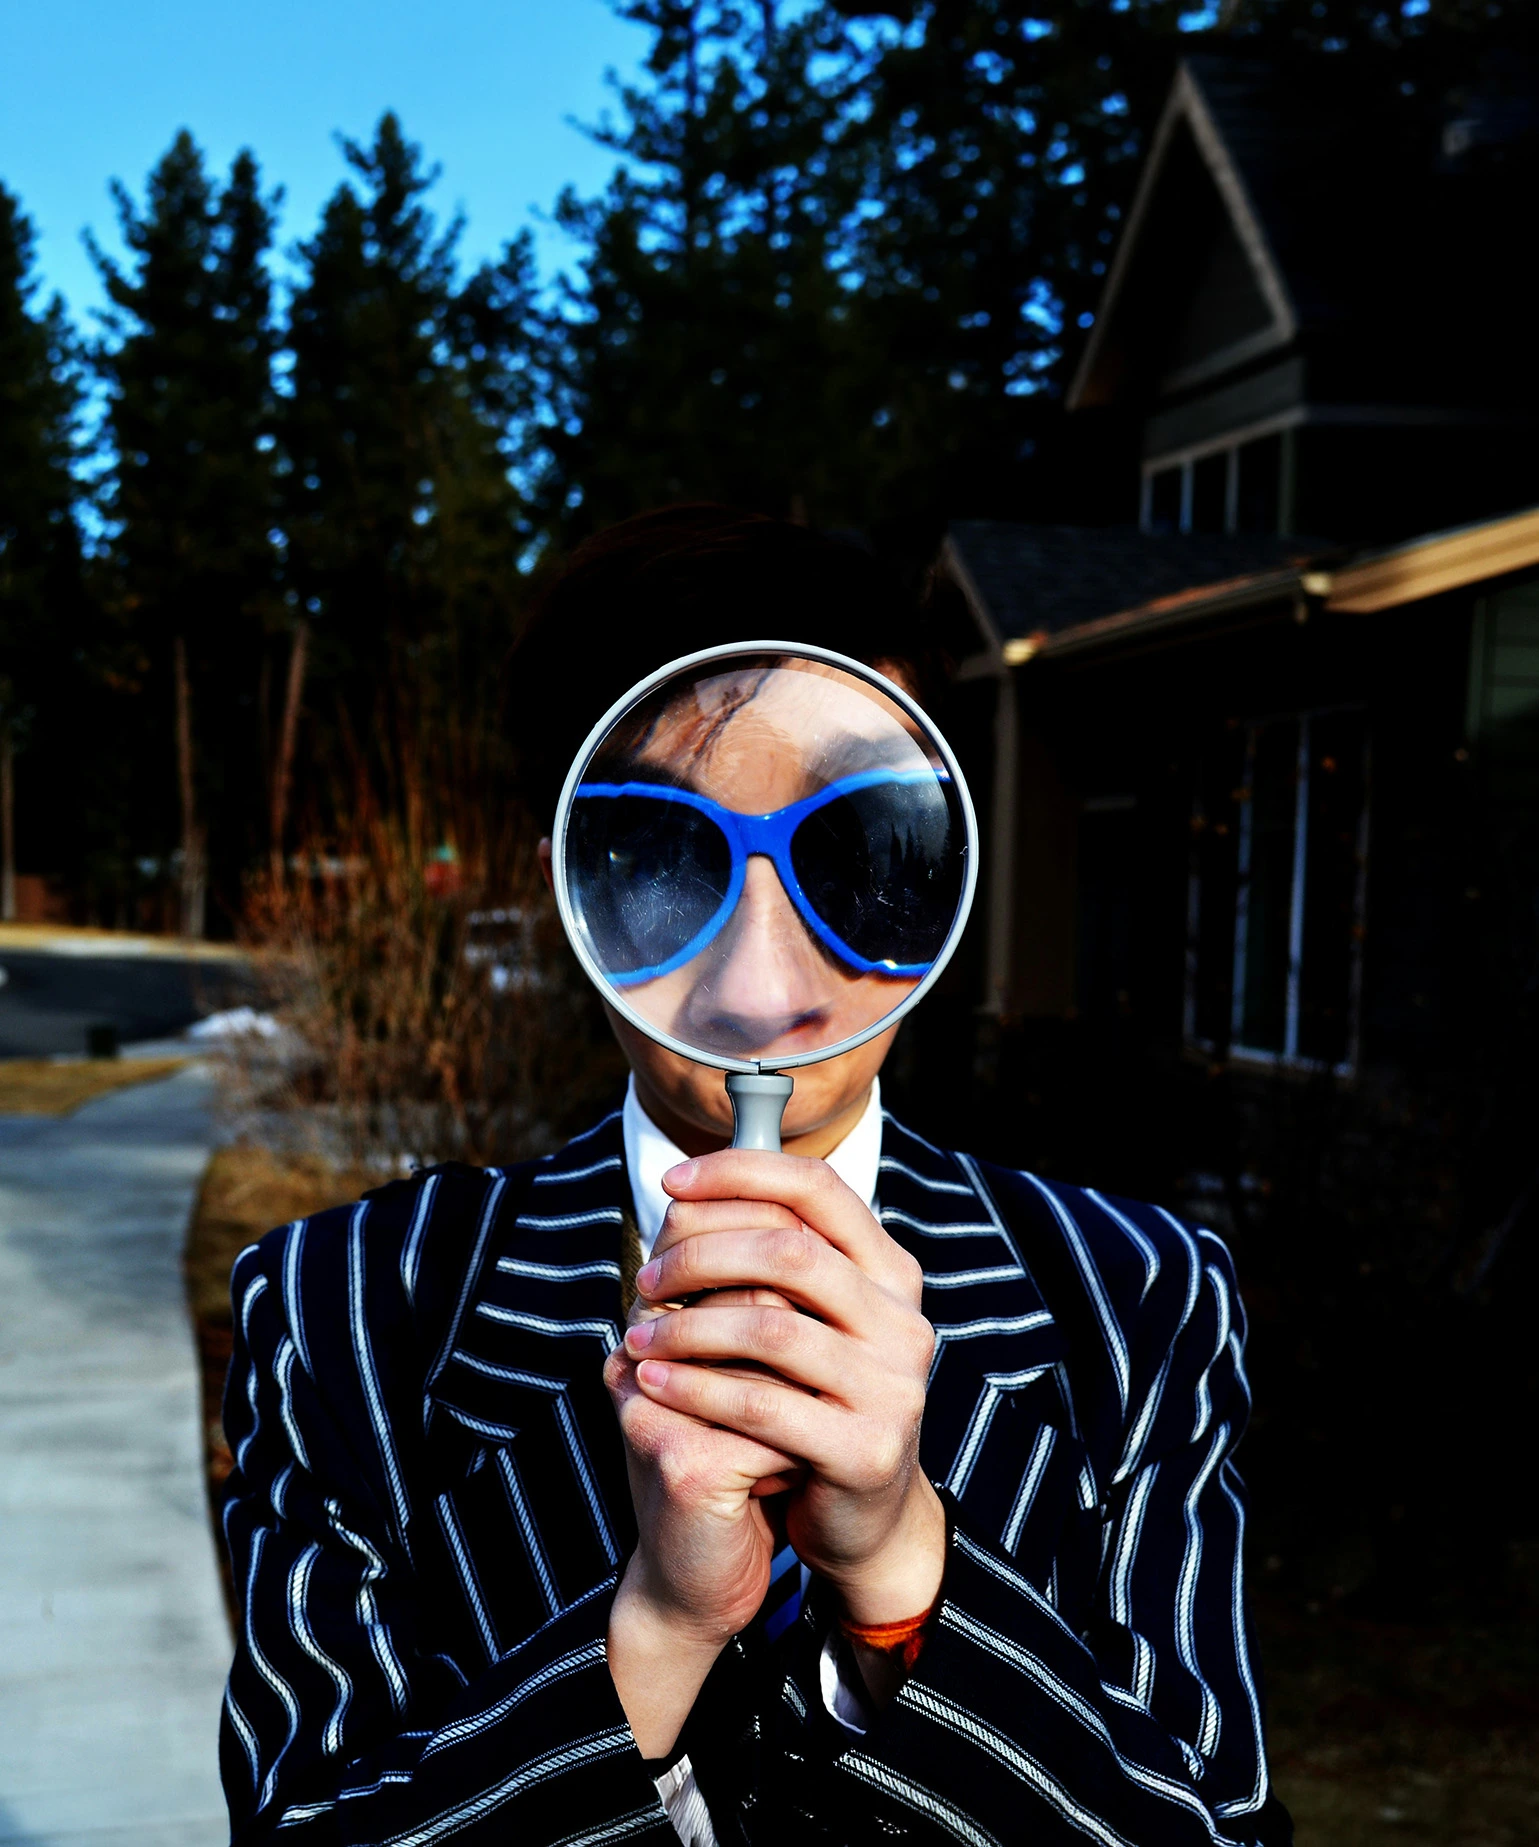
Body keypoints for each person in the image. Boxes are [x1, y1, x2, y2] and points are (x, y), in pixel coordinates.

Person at [219, 506, 1292, 1845]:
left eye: (856, 850)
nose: (755, 986)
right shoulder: (344, 1311)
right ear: (566, 881)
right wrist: (657, 1627)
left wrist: (902, 1565)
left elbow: (1212, 1826)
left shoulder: (1134, 1303)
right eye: (661, 857)